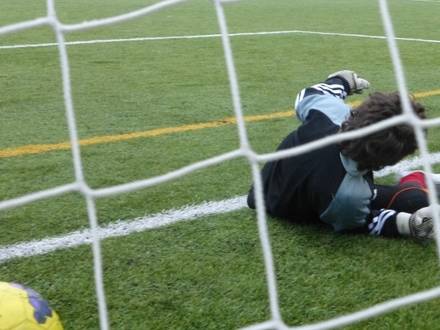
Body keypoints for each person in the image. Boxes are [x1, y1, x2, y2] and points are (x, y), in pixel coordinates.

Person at [247, 70, 435, 240]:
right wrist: (408, 225)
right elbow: (363, 222)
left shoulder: (333, 114)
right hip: (289, 207)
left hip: (263, 190)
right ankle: (417, 179)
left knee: (414, 200)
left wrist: (341, 81)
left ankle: (420, 180)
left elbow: (308, 95)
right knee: (415, 201)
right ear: (391, 159)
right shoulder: (349, 194)